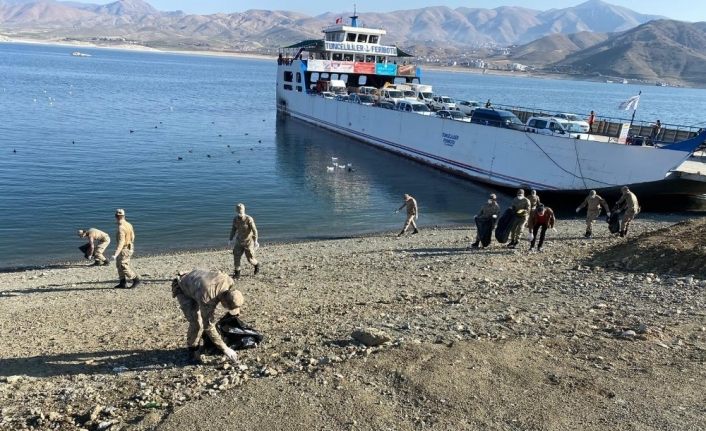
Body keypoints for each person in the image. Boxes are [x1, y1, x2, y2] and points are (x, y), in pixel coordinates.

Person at [171, 269, 244, 363]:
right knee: (197, 323)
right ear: (224, 302)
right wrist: (225, 349)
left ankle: (202, 341)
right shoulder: (207, 298)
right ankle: (193, 349)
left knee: (205, 319)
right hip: (183, 287)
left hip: (198, 284)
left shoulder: (229, 281)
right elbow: (208, 326)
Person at [110, 208, 140, 289]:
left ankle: (135, 279)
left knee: (123, 265)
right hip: (129, 246)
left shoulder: (121, 228)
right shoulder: (129, 224)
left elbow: (121, 242)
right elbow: (133, 236)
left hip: (124, 249)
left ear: (115, 216)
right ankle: (122, 283)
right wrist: (130, 243)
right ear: (124, 215)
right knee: (119, 265)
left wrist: (115, 254)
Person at [229, 203, 259, 279]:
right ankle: (237, 273)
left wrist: (256, 241)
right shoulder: (235, 219)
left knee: (250, 259)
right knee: (236, 256)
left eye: (241, 210)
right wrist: (230, 239)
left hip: (248, 242)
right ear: (236, 210)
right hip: (239, 241)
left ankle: (257, 265)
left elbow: (254, 230)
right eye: (238, 210)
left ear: (244, 210)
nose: (240, 211)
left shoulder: (249, 219)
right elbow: (233, 229)